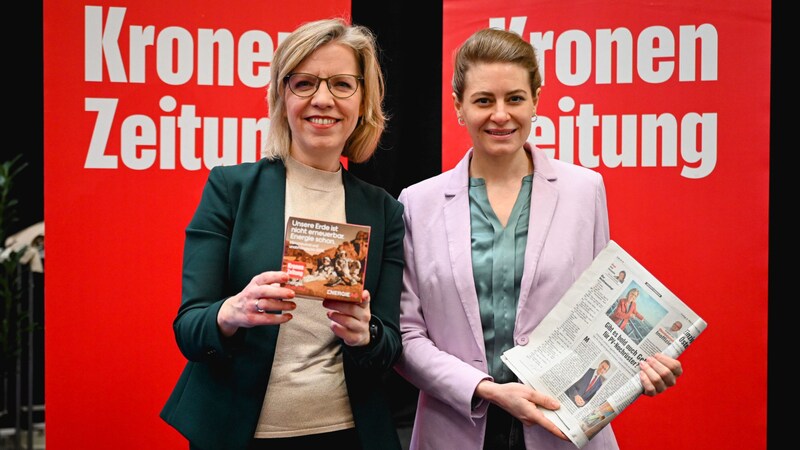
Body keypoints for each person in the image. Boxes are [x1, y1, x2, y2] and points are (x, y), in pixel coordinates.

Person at [393, 28, 684, 450]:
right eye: (482, 100)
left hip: (564, 429)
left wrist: (641, 364)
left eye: (514, 98)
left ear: (536, 101)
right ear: (458, 106)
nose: (500, 115)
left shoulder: (585, 190)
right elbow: (406, 334)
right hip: (456, 427)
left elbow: (601, 313)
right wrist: (485, 389)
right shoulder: (417, 203)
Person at [160, 18, 405, 450]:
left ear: (363, 99)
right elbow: (189, 328)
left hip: (347, 434)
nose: (323, 99)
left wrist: (367, 334)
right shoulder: (230, 188)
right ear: (282, 95)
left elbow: (388, 349)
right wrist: (231, 312)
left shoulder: (384, 210)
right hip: (240, 434)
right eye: (305, 83)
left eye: (342, 85)